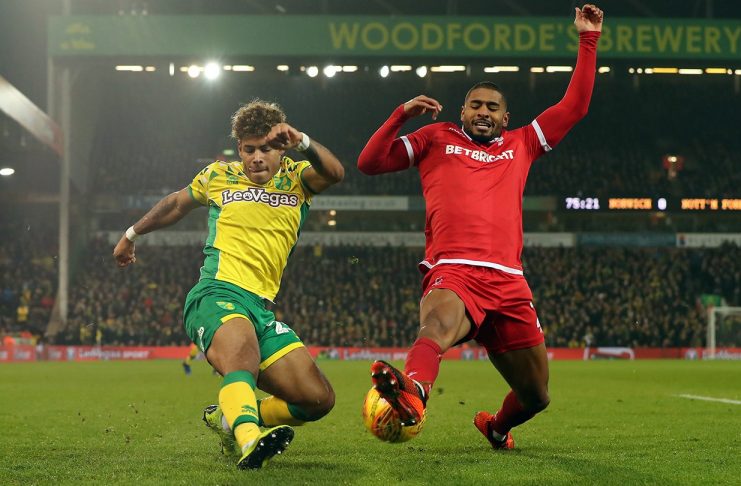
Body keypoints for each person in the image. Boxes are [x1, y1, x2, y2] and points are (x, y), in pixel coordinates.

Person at [357, 5, 604, 449]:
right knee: (436, 327)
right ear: (463, 111)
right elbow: (369, 162)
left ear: (505, 118)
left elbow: (576, 107)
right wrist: (400, 115)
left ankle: (496, 427)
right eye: (475, 105)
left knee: (536, 396)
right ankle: (414, 392)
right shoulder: (436, 137)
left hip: (509, 281)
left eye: (493, 107)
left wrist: (589, 39)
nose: (483, 111)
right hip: (455, 269)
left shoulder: (523, 143)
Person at [113, 99, 344, 469]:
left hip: (260, 309)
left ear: (282, 149)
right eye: (249, 149)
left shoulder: (298, 178)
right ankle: (249, 439)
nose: (257, 158)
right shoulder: (218, 176)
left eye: (266, 149)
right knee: (242, 356)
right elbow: (175, 204)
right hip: (216, 293)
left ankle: (228, 418)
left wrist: (303, 141)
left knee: (317, 399)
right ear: (239, 149)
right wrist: (130, 235)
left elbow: (335, 172)